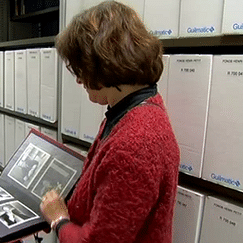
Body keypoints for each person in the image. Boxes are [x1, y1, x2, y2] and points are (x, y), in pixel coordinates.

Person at [39, 1, 180, 242]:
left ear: (103, 63)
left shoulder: (136, 144)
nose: (79, 80)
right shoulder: (130, 109)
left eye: (80, 68)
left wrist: (58, 219)